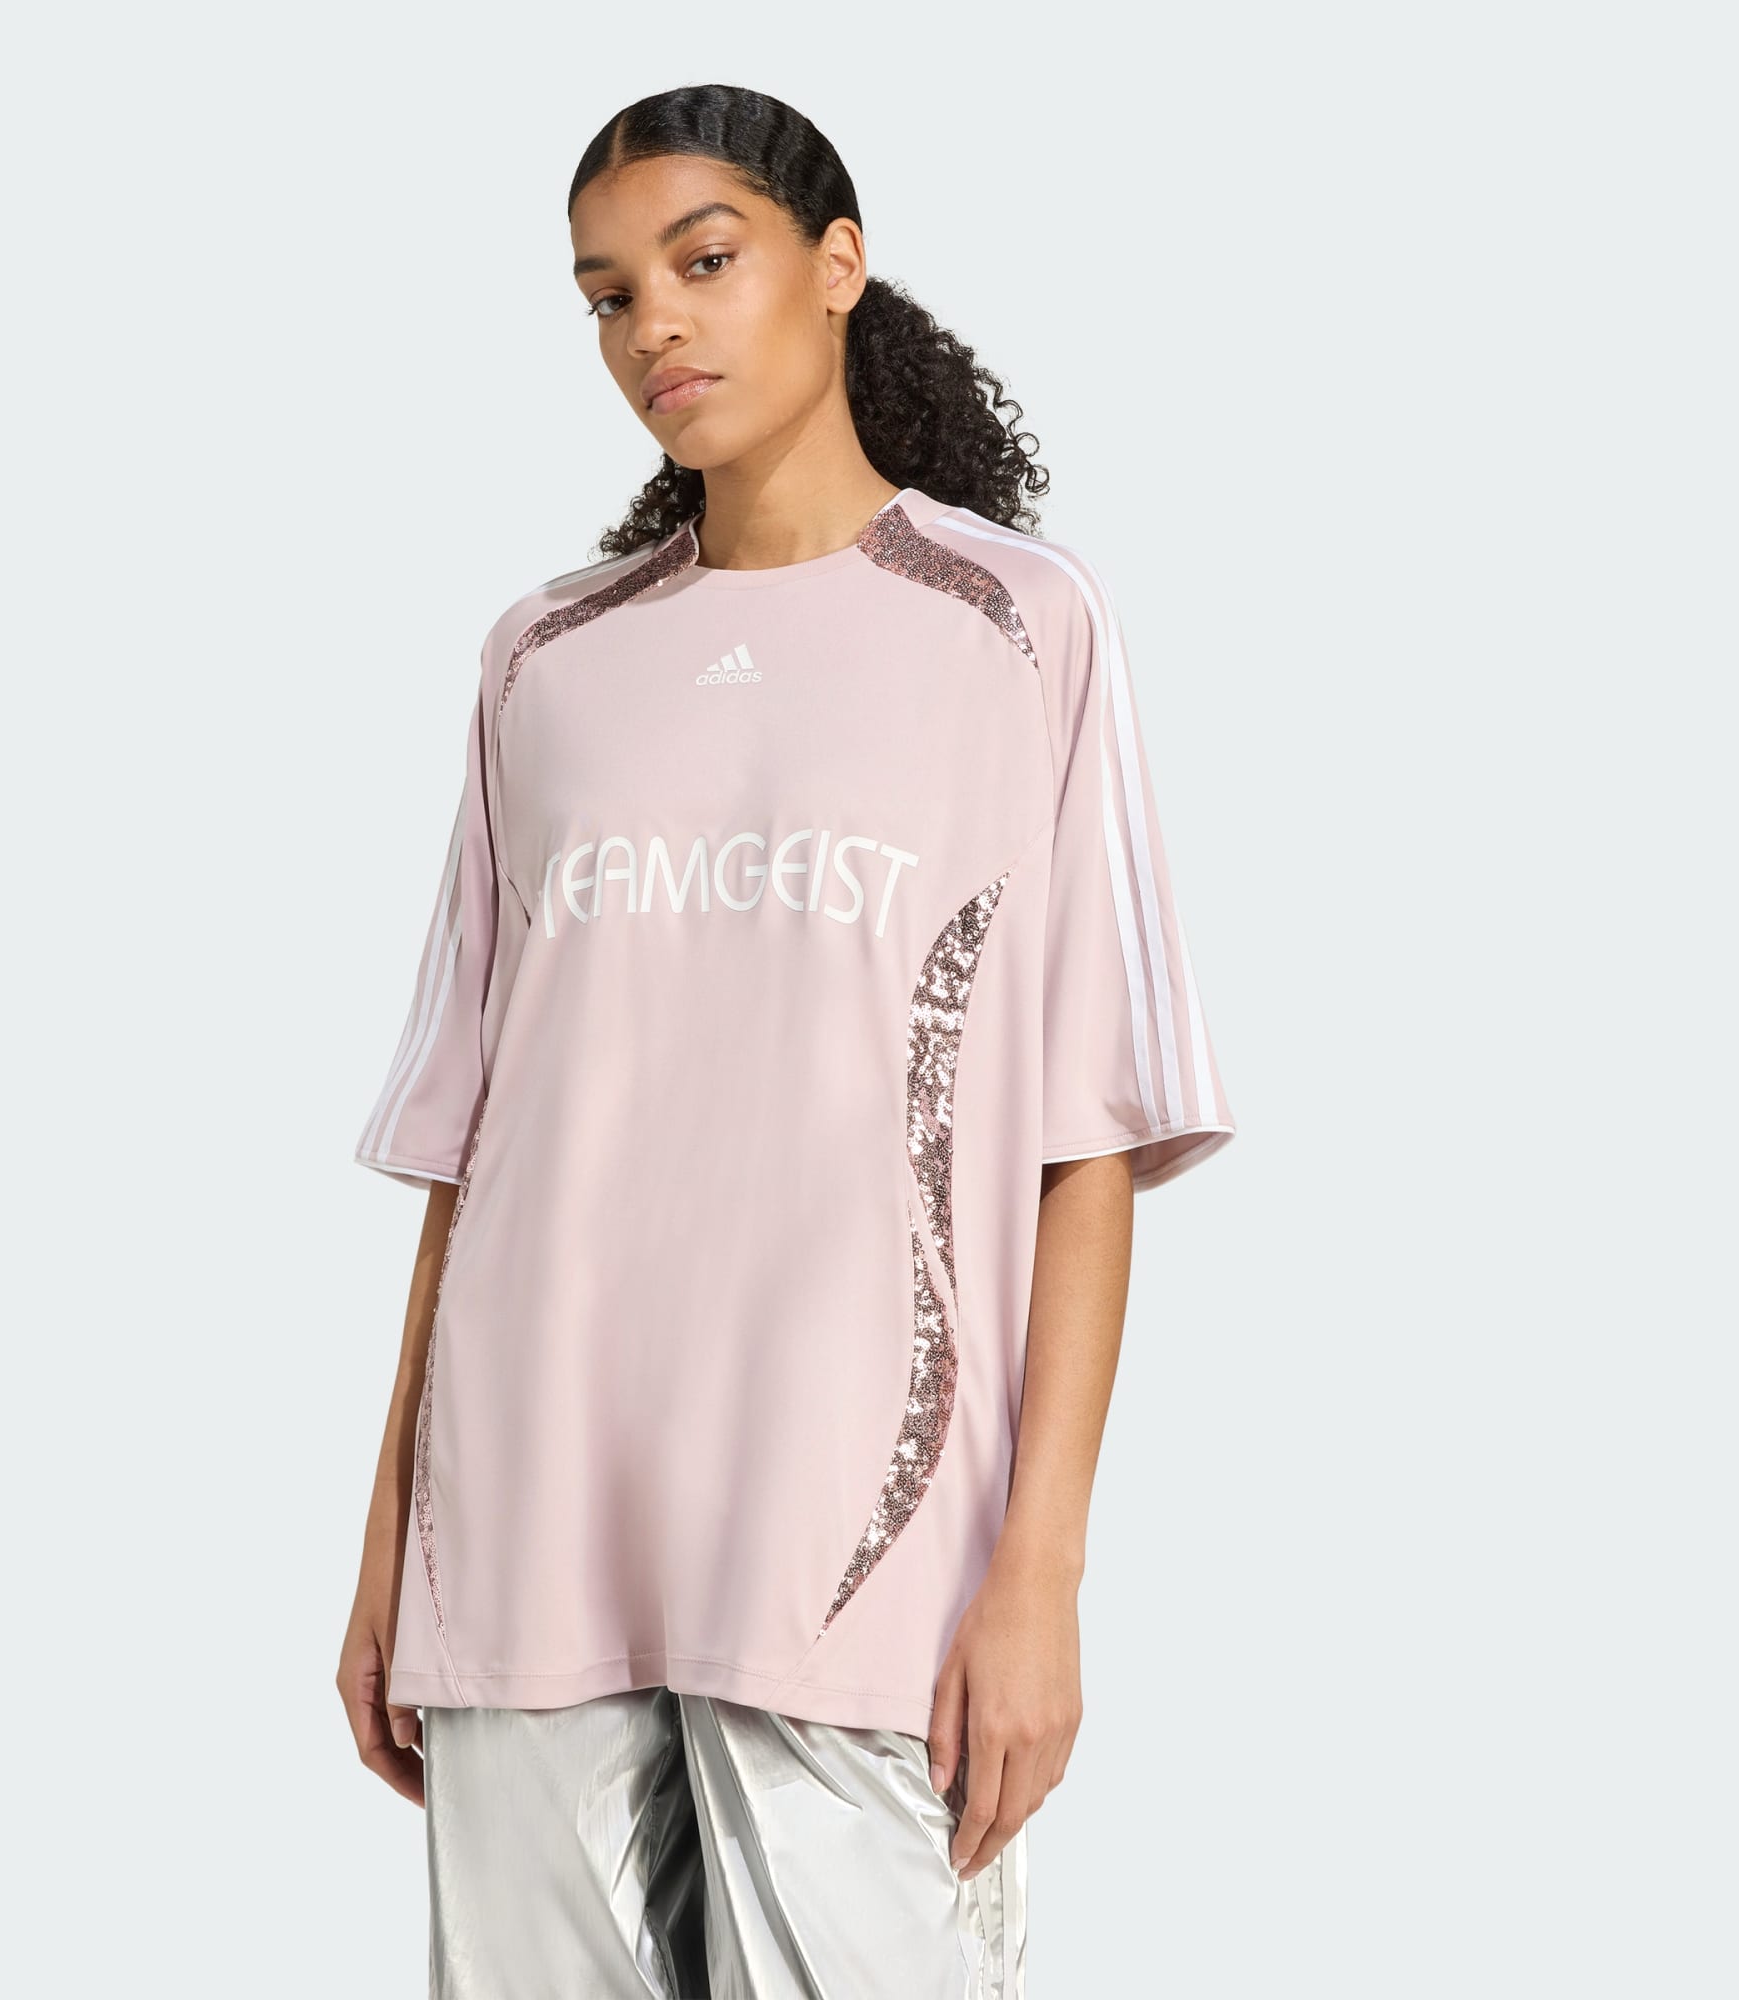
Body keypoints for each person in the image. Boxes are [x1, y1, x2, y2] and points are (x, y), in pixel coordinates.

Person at [337, 82, 1235, 1999]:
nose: (651, 324)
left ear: (838, 266)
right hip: (528, 1537)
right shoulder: (544, 660)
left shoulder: (1018, 626)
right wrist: (392, 1543)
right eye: (606, 295)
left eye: (703, 260)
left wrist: (1044, 1571)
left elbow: (1089, 1138)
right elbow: (473, 1148)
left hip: (862, 1548)